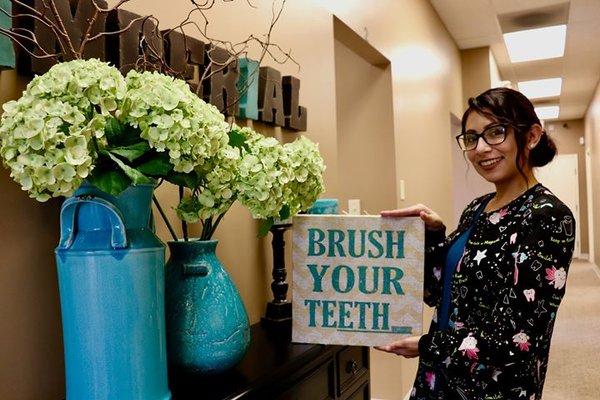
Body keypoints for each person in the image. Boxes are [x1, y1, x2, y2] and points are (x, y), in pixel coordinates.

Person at [377, 87, 576, 400]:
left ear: (532, 136)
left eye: (495, 133)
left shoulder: (547, 215)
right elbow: (438, 294)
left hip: (492, 389)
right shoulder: (477, 208)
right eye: (471, 138)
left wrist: (427, 345)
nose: (481, 148)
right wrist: (433, 235)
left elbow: (518, 338)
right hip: (439, 376)